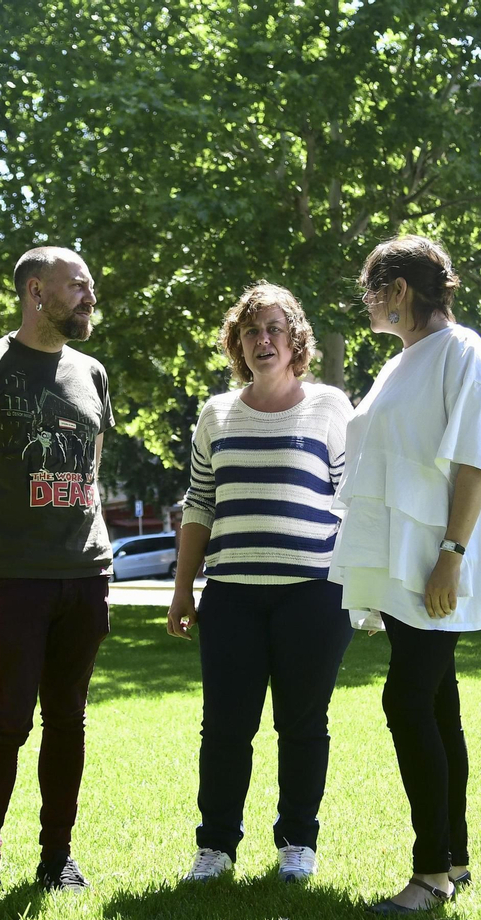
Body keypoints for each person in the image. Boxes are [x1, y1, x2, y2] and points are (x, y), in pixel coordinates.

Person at [0, 246, 114, 901]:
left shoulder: (92, 373)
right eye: (78, 286)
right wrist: (0, 548)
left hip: (86, 575)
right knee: (7, 720)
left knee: (68, 717)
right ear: (37, 292)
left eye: (90, 285)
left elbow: (89, 472)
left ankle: (57, 858)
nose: (90, 295)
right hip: (16, 581)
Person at [329, 235, 481, 914]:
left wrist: (451, 555)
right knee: (435, 702)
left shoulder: (462, 353)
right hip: (401, 563)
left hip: (435, 561)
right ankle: (453, 860)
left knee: (407, 701)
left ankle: (428, 874)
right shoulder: (402, 362)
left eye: (372, 289)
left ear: (398, 291)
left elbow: (475, 463)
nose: (368, 303)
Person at [166, 283, 354, 884]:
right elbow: (200, 503)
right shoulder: (216, 414)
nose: (263, 339)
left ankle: (297, 842)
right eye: (251, 331)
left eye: (274, 328)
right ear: (237, 344)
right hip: (232, 597)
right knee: (225, 726)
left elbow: (353, 502)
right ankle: (215, 847)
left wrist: (364, 588)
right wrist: (182, 589)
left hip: (314, 595)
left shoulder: (330, 407)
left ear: (295, 340)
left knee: (302, 725)